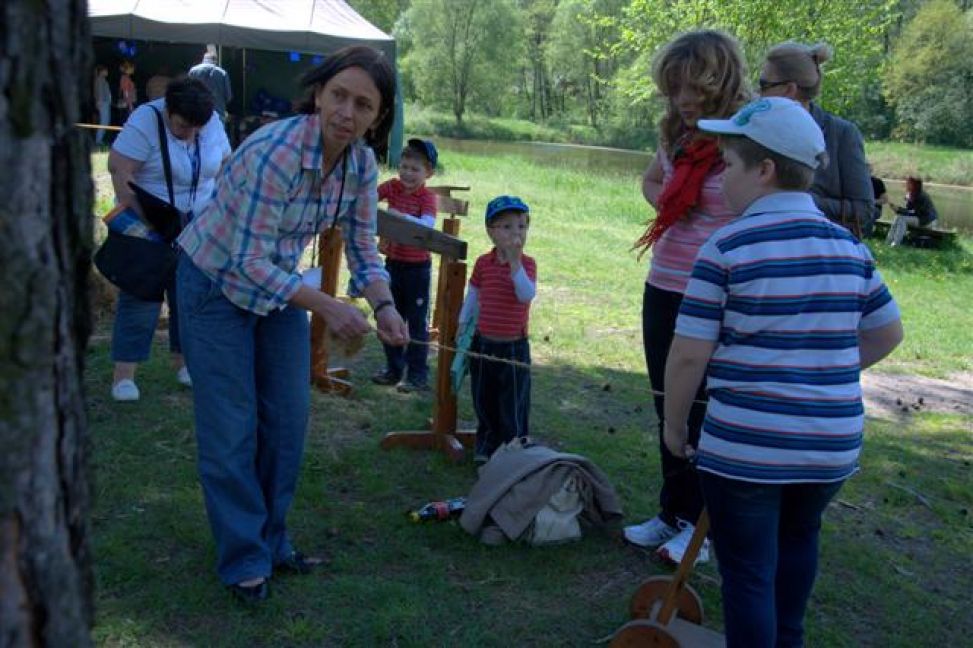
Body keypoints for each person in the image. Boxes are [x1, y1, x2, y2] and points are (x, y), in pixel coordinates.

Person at [664, 97, 903, 647]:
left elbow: (687, 355)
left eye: (729, 165)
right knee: (798, 549)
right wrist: (822, 372)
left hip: (747, 448)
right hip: (829, 449)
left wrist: (675, 428)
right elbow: (886, 333)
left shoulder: (726, 246)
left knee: (747, 573)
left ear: (765, 170)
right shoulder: (849, 248)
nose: (721, 178)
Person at [175, 45, 408, 603]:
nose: (346, 113)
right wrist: (327, 306)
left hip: (278, 289)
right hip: (214, 283)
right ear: (318, 94)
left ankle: (272, 541)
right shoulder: (276, 151)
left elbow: (362, 247)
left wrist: (384, 305)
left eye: (363, 104)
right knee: (233, 427)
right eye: (338, 96)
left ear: (378, 116)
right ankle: (244, 558)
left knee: (287, 421)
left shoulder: (360, 164)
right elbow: (245, 261)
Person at [624, 30, 749, 565]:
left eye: (693, 87)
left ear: (720, 80)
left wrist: (714, 218)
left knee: (707, 414)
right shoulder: (676, 133)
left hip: (719, 295)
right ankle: (673, 513)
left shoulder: (747, 138)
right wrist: (675, 201)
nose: (683, 99)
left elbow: (765, 208)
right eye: (674, 88)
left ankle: (707, 533)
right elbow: (652, 181)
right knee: (667, 406)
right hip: (665, 286)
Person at [106, 77, 231, 402]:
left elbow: (226, 167)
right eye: (182, 126)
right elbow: (120, 170)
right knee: (142, 294)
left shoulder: (211, 121)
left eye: (197, 129)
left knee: (190, 295)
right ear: (167, 111)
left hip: (198, 222)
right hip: (150, 221)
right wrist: (147, 219)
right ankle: (124, 376)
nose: (190, 134)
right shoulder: (146, 120)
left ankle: (184, 364)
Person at [759, 41, 873, 237]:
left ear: (789, 89)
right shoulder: (755, 130)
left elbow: (864, 211)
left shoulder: (842, 134)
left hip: (820, 253)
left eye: (764, 85)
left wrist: (798, 201)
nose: (758, 93)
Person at [460, 196, 537, 464]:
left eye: (521, 226)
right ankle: (486, 443)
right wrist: (463, 322)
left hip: (513, 347)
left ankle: (513, 449)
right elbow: (474, 293)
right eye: (506, 227)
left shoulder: (527, 264)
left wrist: (515, 263)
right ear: (491, 232)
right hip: (483, 343)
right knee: (484, 398)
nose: (516, 233)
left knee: (512, 402)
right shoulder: (484, 263)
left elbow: (526, 295)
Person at [371, 138, 439, 392]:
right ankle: (394, 368)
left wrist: (399, 218)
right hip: (393, 264)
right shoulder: (392, 187)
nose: (407, 174)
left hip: (417, 269)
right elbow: (369, 198)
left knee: (417, 323)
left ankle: (417, 374)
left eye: (415, 169)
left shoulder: (427, 198)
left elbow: (427, 226)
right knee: (390, 317)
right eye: (404, 167)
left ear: (428, 173)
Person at [886, 176, 939, 246]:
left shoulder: (921, 196)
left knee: (902, 219)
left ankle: (896, 243)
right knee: (897, 217)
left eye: (908, 183)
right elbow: (909, 211)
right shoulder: (911, 195)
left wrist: (899, 210)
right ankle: (888, 241)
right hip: (920, 218)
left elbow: (916, 213)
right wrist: (897, 210)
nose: (906, 185)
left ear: (914, 185)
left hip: (927, 221)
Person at [188, 46, 232, 120]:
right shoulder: (222, 73)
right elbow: (228, 96)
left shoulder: (193, 71)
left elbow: (187, 91)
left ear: (203, 59)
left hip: (197, 112)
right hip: (217, 113)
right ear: (215, 60)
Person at [93, 64, 112, 147]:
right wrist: (99, 102)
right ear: (102, 71)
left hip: (105, 103)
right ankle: (98, 141)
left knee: (105, 121)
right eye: (106, 70)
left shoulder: (102, 79)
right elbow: (99, 92)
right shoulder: (100, 79)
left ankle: (99, 140)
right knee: (104, 122)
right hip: (103, 103)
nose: (107, 72)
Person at [868, 163, 888, 237]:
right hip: (860, 206)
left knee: (870, 212)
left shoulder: (878, 182)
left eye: (868, 168)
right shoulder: (858, 182)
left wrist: (873, 202)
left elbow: (885, 200)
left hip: (875, 208)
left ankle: (866, 235)